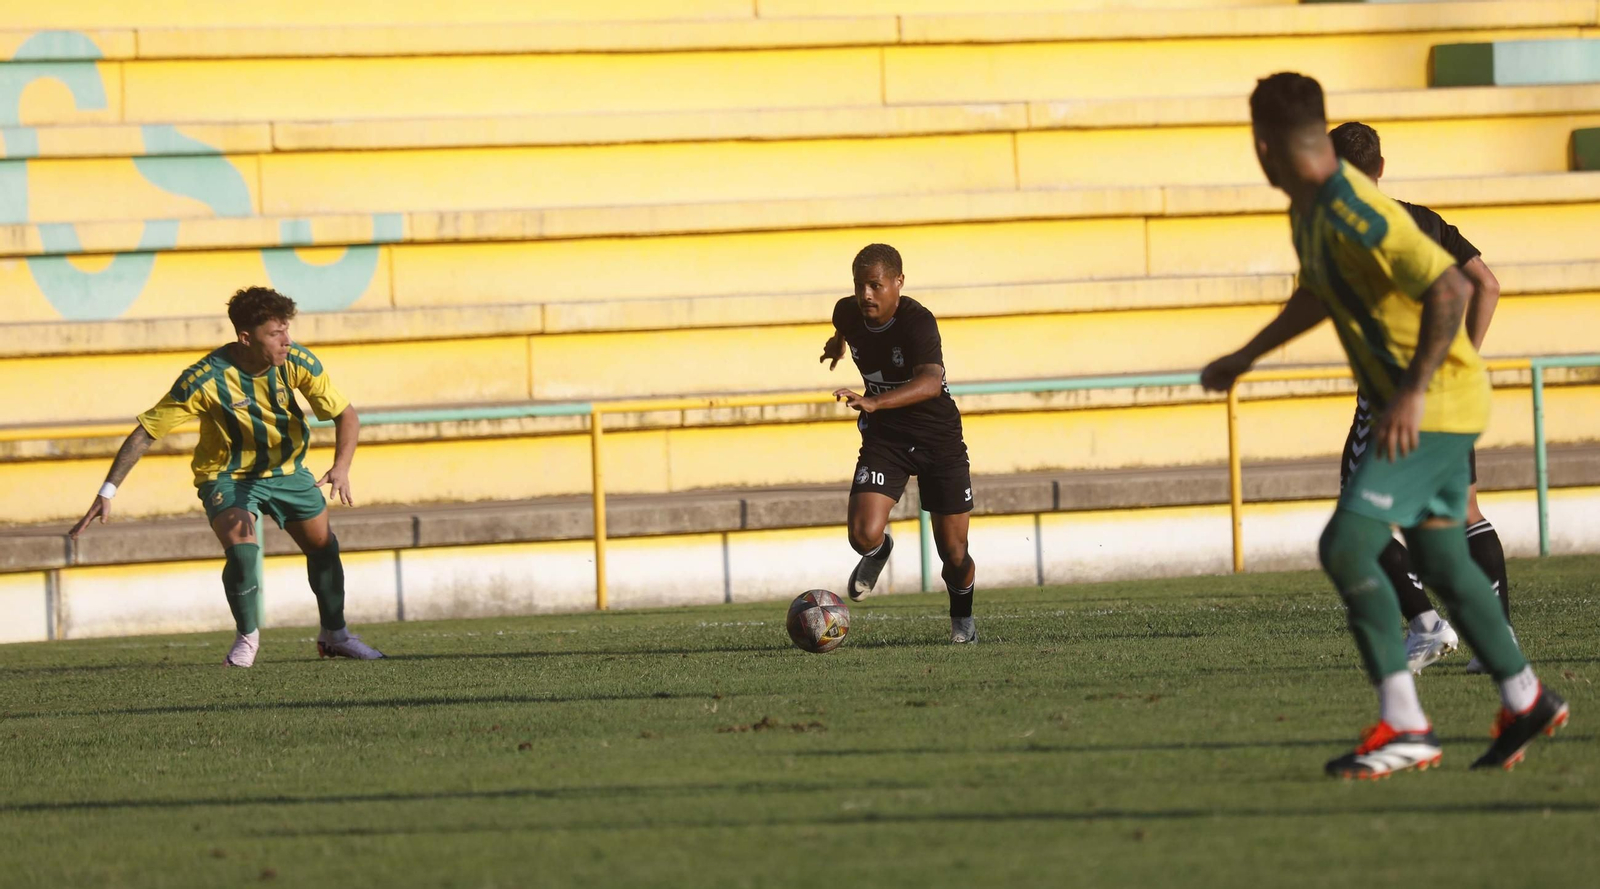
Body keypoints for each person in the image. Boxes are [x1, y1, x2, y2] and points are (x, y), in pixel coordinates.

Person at [1201, 73, 1566, 777]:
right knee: (1439, 561)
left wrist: (1411, 394)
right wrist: (1248, 353)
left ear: (1264, 143)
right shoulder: (1308, 211)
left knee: (1349, 545)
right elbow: (1318, 296)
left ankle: (1406, 725)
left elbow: (1454, 286)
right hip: (1437, 400)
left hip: (1435, 404)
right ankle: (1527, 698)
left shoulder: (1353, 209)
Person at [69, 286, 385, 667]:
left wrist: (342, 465)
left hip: (287, 471)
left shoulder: (298, 361)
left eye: (287, 330)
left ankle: (335, 635)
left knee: (323, 547)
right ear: (246, 337)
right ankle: (247, 637)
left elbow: (345, 414)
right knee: (242, 549)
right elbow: (147, 430)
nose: (287, 341)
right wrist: (108, 489)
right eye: (275, 333)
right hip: (226, 475)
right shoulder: (204, 378)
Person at [1328, 121, 1511, 675]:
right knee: (1467, 511)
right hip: (1449, 389)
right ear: (1381, 168)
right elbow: (1488, 284)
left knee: (1355, 513)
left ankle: (1426, 625)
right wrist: (1467, 357)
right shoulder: (1425, 220)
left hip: (1393, 389)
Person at [820, 244, 978, 644]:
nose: (866, 295)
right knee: (862, 534)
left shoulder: (917, 322)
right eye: (860, 286)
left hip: (937, 439)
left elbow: (929, 382)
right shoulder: (848, 312)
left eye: (875, 285)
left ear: (898, 283)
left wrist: (873, 400)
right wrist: (836, 345)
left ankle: (963, 622)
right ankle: (878, 552)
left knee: (954, 555)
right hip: (886, 438)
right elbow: (842, 326)